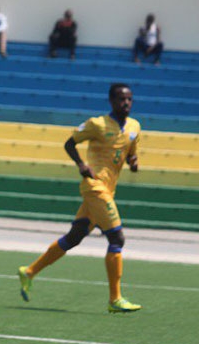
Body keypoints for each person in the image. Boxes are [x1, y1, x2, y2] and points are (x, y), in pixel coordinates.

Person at [18, 84, 142, 313]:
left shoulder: (135, 127)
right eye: (121, 99)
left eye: (129, 99)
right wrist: (81, 164)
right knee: (117, 239)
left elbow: (130, 155)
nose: (126, 103)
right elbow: (69, 143)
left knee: (75, 237)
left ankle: (29, 271)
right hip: (95, 187)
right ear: (112, 101)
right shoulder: (97, 124)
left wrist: (133, 163)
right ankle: (115, 299)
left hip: (108, 190)